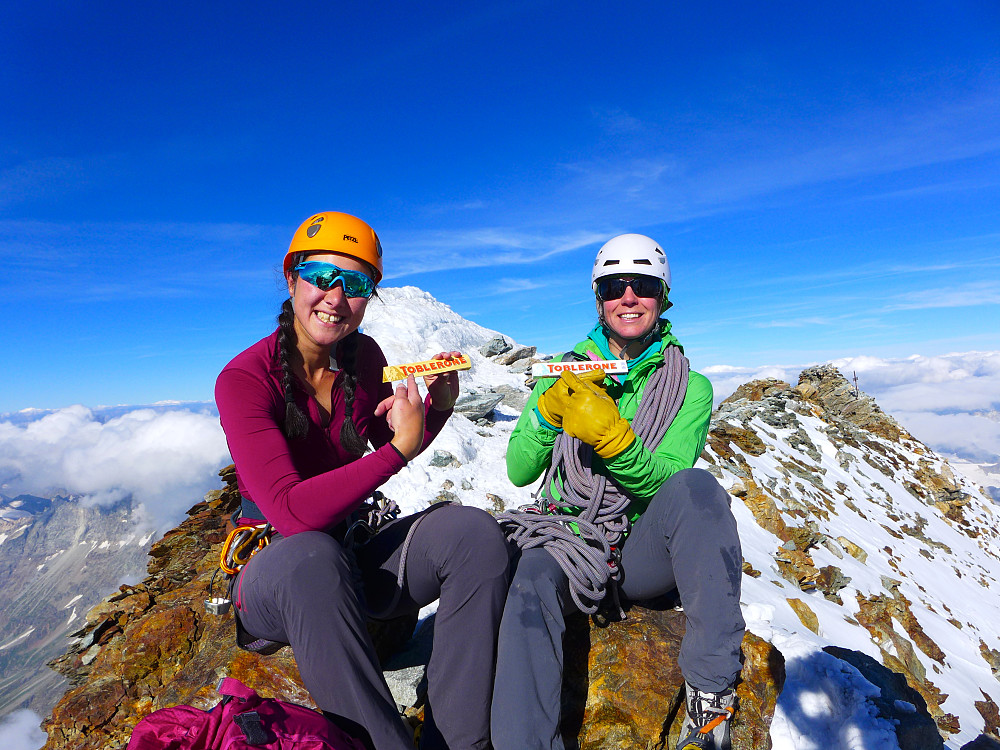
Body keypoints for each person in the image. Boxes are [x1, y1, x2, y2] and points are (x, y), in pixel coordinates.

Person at [215, 211, 509, 750]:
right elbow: (290, 513)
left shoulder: (363, 356)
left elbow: (385, 437)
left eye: (355, 284)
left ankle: (460, 740)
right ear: (291, 280)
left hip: (352, 559)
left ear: (369, 296)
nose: (335, 296)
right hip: (280, 577)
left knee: (473, 534)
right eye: (322, 276)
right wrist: (398, 450)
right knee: (312, 556)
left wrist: (437, 408)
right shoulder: (244, 380)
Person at [492, 234, 745, 750]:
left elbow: (667, 481)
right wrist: (546, 414)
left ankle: (712, 698)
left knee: (699, 489)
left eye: (644, 285)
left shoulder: (690, 387)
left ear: (663, 295)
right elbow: (519, 469)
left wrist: (613, 440)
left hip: (638, 551)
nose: (628, 297)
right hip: (566, 538)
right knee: (530, 580)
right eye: (613, 286)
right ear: (599, 297)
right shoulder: (562, 374)